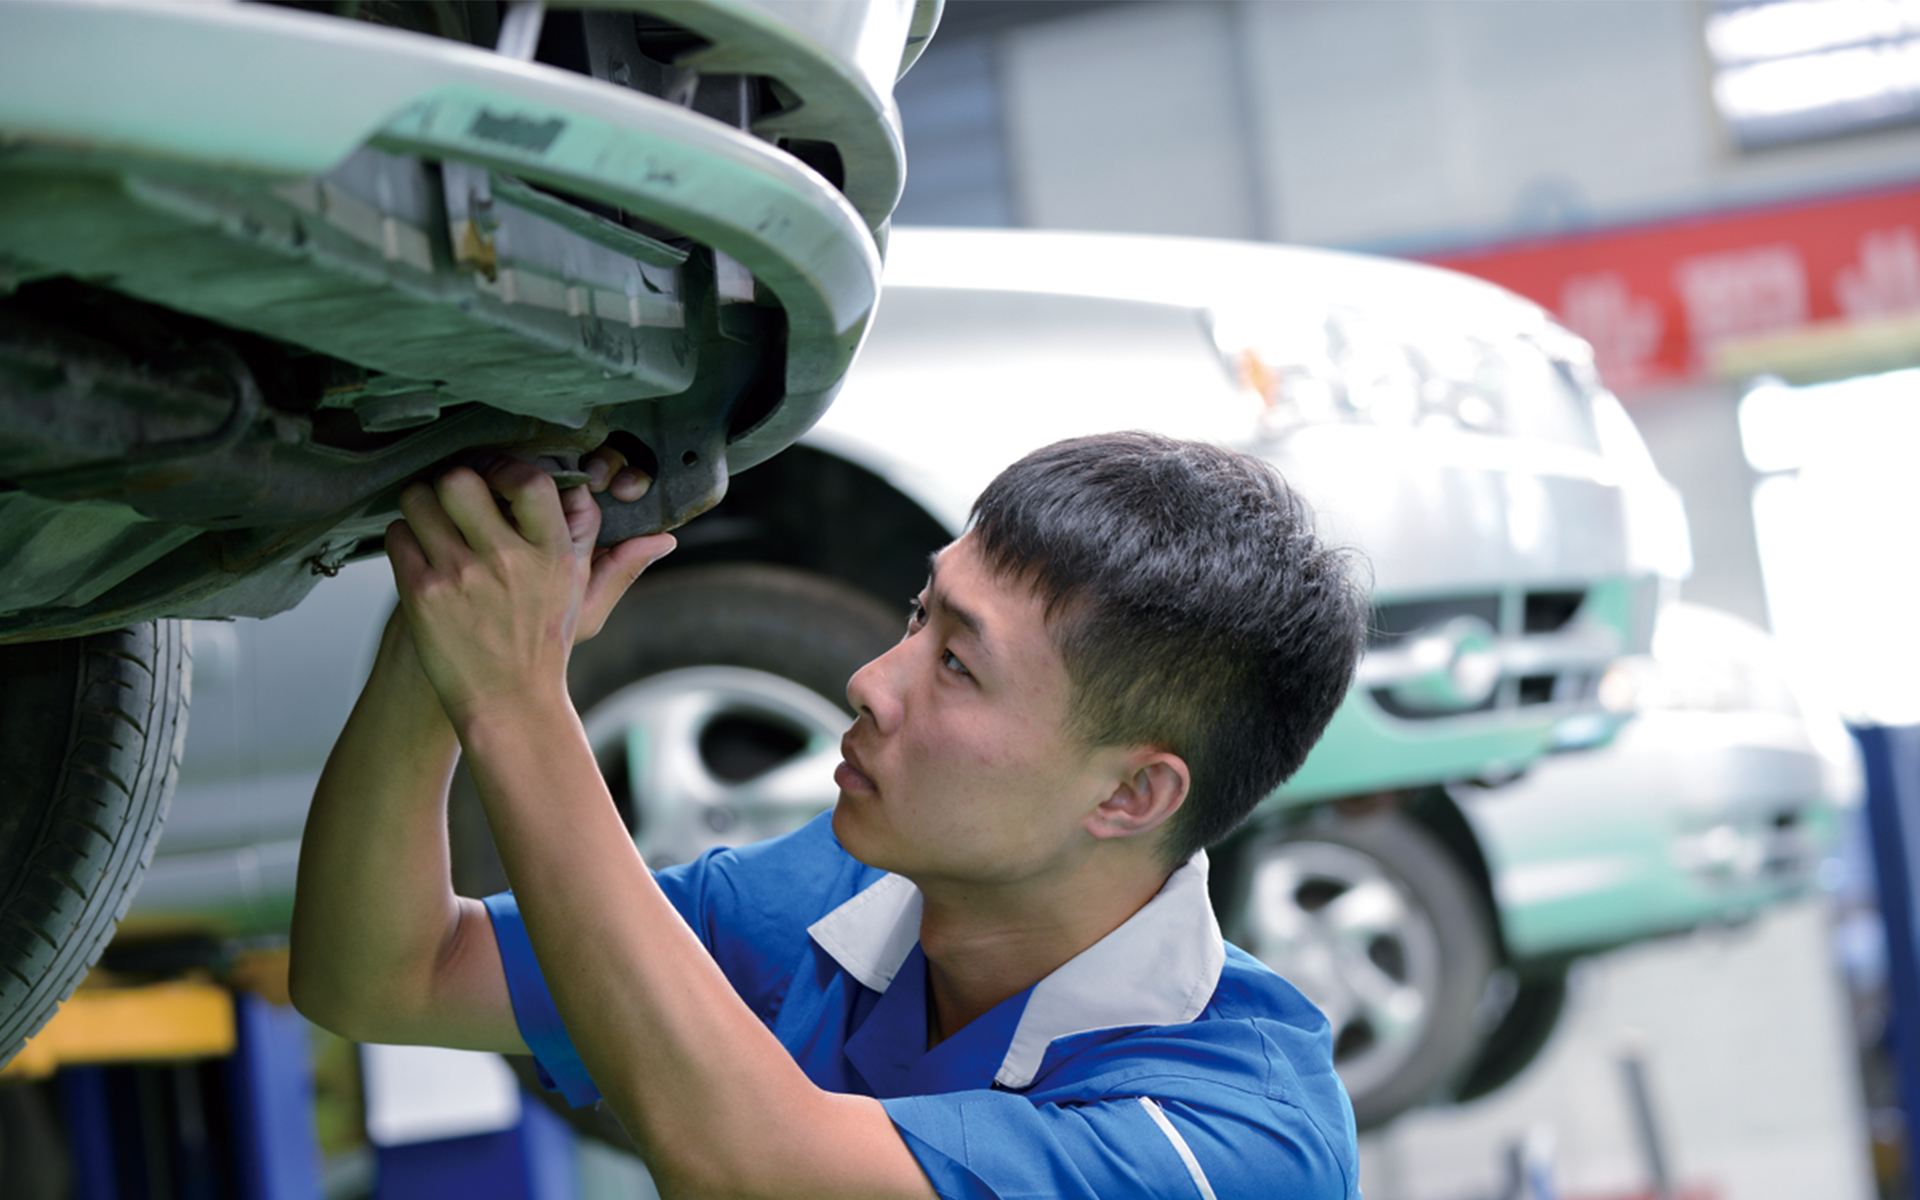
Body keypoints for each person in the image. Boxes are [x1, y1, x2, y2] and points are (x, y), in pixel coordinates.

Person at [290, 431, 1371, 1199]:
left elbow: (751, 1168)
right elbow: (384, 976)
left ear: (1131, 794)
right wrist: (446, 633)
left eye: (957, 663)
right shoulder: (832, 908)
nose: (871, 681)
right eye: (918, 615)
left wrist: (517, 697)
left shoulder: (1229, 1140)